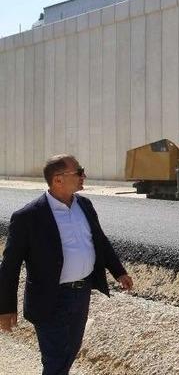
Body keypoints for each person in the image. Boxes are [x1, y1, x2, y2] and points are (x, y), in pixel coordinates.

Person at [0, 155, 133, 375]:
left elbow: (99, 240)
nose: (84, 176)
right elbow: (10, 266)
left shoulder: (85, 205)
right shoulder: (28, 217)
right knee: (55, 360)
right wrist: (5, 307)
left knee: (69, 352)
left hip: (81, 295)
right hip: (50, 298)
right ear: (58, 180)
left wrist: (118, 272)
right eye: (79, 172)